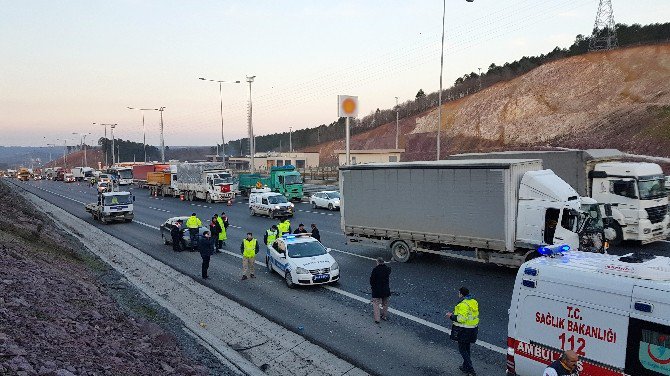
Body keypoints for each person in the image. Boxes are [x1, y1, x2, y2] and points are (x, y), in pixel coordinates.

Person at [446, 287, 479, 376]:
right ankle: (465, 367)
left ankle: (471, 370)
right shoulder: (473, 301)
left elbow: (462, 319)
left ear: (461, 293)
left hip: (464, 330)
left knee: (462, 350)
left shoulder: (463, 304)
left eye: (459, 292)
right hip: (472, 329)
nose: (458, 294)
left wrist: (451, 316)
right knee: (467, 349)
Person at [369, 257, 391, 324]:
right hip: (386, 290)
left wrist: (372, 287)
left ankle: (377, 319)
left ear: (377, 262)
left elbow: (372, 280)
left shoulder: (375, 270)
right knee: (385, 304)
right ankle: (384, 316)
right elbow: (389, 270)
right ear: (383, 262)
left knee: (376, 304)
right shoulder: (387, 269)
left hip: (377, 291)